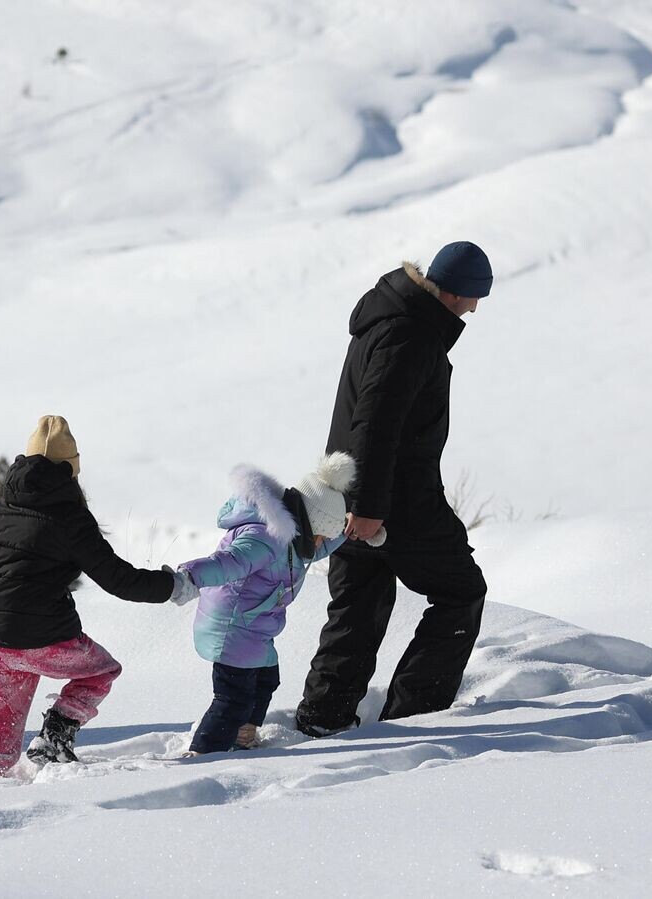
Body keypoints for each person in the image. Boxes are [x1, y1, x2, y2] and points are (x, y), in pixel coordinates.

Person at [296, 241, 493, 737]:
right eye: (475, 297)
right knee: (461, 592)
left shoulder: (390, 318)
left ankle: (322, 719)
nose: (474, 309)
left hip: (351, 493)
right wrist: (368, 507)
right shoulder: (412, 332)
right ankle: (412, 719)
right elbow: (376, 423)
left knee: (357, 607)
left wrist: (356, 501)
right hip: (393, 501)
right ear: (457, 293)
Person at [0, 415, 195, 781]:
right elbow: (118, 580)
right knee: (100, 671)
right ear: (71, 470)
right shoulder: (69, 518)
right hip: (42, 638)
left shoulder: (2, 510)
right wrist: (173, 586)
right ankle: (53, 739)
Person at [175, 454, 361, 755]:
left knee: (266, 681)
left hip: (254, 628)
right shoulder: (265, 538)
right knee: (233, 698)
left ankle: (242, 736)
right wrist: (187, 579)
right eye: (320, 536)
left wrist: (349, 531)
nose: (320, 543)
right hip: (232, 627)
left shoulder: (295, 540)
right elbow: (228, 562)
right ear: (309, 524)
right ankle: (205, 754)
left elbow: (319, 547)